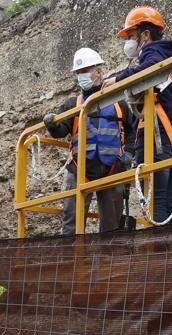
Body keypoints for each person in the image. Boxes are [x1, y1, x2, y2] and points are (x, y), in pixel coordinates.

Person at [103, 5, 172, 225]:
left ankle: (168, 258)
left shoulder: (154, 52)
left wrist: (119, 79)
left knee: (159, 205)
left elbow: (149, 68)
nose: (128, 42)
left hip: (159, 140)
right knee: (168, 204)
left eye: (130, 36)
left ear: (145, 35)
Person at [43, 47, 136, 234]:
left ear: (98, 71)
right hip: (79, 170)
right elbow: (61, 130)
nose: (81, 76)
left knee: (112, 227)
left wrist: (128, 154)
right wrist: (52, 124)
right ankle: (72, 260)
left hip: (112, 170)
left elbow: (133, 129)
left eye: (85, 71)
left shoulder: (119, 103)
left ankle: (107, 261)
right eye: (78, 73)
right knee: (71, 224)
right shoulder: (72, 104)